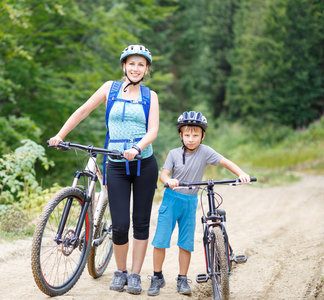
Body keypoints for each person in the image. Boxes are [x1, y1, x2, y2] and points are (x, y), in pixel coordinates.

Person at [49, 45, 159, 295]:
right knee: (119, 225)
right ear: (124, 66)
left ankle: (134, 275)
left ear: (146, 69)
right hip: (116, 165)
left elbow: (153, 131)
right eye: (131, 63)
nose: (135, 68)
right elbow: (83, 110)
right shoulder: (109, 89)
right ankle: (119, 272)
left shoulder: (150, 96)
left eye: (141, 64)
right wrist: (60, 135)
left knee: (140, 223)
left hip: (144, 165)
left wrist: (137, 147)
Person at [146, 111, 250, 296]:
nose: (191, 139)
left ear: (203, 135)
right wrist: (169, 180)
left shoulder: (206, 151)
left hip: (191, 201)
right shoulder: (173, 154)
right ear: (181, 135)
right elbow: (163, 174)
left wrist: (240, 173)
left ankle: (182, 278)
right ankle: (156, 276)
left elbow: (225, 162)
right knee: (161, 240)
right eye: (187, 135)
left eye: (195, 135)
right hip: (172, 199)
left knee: (186, 242)